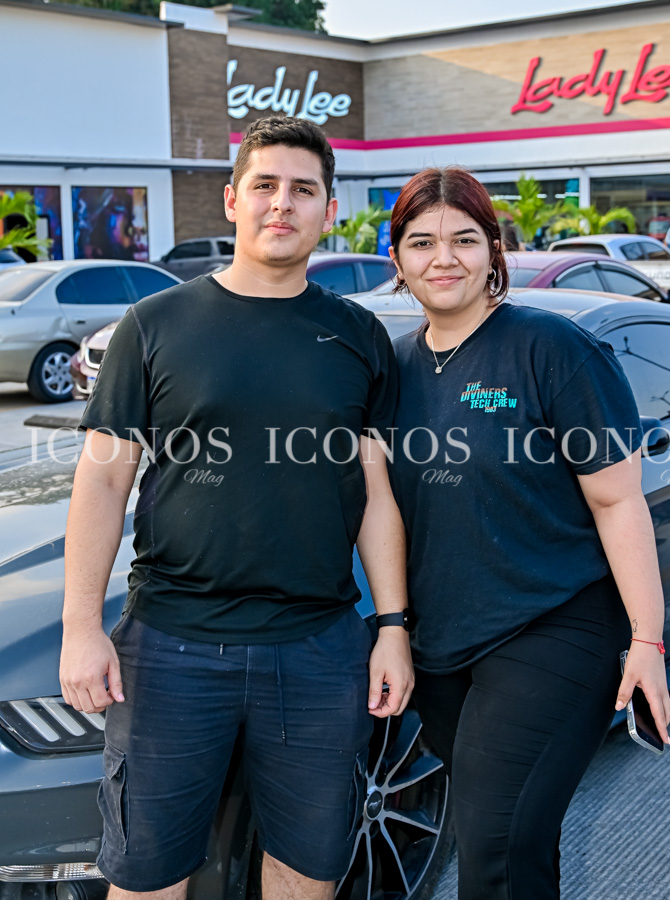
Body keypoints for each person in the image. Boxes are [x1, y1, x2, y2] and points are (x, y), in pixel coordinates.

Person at [59, 116, 414, 900]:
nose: (280, 204)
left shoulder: (357, 336)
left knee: (306, 871)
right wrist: (81, 626)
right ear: (230, 200)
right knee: (149, 876)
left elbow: (375, 496)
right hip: (171, 649)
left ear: (327, 210)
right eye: (264, 185)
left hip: (318, 650)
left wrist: (390, 627)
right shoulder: (155, 325)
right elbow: (103, 482)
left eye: (302, 190)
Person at [386, 167, 670, 900]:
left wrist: (647, 639)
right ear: (397, 260)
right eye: (420, 242)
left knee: (497, 847)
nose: (441, 258)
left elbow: (617, 502)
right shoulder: (391, 369)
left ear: (493, 251)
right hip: (444, 643)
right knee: (501, 839)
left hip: (554, 622)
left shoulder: (548, 348)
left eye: (462, 239)